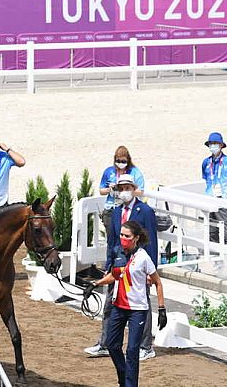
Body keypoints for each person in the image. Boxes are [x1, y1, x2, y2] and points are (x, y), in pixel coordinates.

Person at [83, 221, 167, 387]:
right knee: (113, 345)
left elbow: (157, 282)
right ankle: (124, 376)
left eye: (127, 236)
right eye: (121, 234)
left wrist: (162, 308)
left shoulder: (143, 258)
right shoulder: (118, 253)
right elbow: (114, 275)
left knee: (132, 351)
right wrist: (95, 284)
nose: (123, 238)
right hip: (118, 307)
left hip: (137, 310)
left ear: (135, 238)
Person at [84, 174, 158, 361]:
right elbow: (112, 241)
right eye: (121, 188)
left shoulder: (145, 211)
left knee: (142, 303)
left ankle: (145, 345)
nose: (124, 192)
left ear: (133, 189)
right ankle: (106, 342)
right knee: (111, 303)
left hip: (138, 264)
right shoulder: (116, 212)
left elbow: (152, 242)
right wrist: (109, 264)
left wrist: (151, 270)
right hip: (117, 262)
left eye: (127, 188)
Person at [202, 132, 227, 262]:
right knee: (212, 232)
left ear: (221, 145)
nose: (213, 146)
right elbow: (205, 179)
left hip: (224, 201)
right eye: (211, 144)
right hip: (210, 200)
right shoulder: (206, 162)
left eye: (216, 144)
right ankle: (217, 262)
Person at [99, 146, 145, 233]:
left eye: (123, 161)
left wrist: (127, 191)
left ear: (128, 160)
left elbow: (140, 192)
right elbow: (101, 191)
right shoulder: (109, 171)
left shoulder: (135, 172)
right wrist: (110, 189)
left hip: (128, 209)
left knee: (127, 237)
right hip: (111, 208)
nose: (120, 164)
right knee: (111, 240)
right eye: (118, 161)